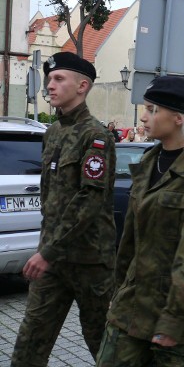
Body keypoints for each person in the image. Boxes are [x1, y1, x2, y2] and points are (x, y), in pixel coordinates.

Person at [95, 76, 184, 367]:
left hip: (181, 311)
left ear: (178, 117)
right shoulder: (147, 163)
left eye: (151, 109)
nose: (143, 117)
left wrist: (174, 319)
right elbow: (130, 241)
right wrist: (117, 293)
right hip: (134, 303)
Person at [11, 52, 117, 366]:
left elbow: (88, 201)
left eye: (59, 79)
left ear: (82, 86)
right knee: (29, 344)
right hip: (54, 262)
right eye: (49, 79)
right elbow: (51, 199)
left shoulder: (96, 137)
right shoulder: (54, 133)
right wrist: (47, 249)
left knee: (103, 344)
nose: (50, 85)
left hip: (90, 261)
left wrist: (47, 251)